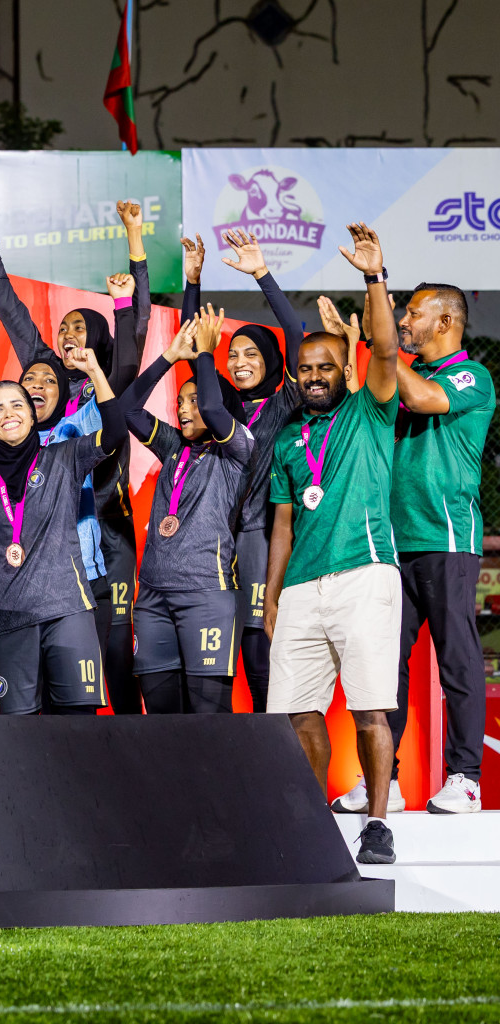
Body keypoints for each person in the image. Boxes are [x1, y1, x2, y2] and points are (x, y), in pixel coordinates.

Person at [264, 223, 402, 866]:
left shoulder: (369, 408)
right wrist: (270, 598)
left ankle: (377, 821)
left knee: (370, 707)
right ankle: (311, 820)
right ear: (295, 375)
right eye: (306, 369)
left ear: (344, 368)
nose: (315, 376)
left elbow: (384, 349)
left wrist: (374, 277)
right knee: (296, 713)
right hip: (300, 587)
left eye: (326, 367)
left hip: (363, 573)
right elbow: (283, 525)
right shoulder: (289, 438)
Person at [328, 283, 495, 815]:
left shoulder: (471, 376)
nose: (403, 322)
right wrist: (362, 350)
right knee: (381, 667)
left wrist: (380, 346)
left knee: (458, 659)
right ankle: (386, 781)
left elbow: (424, 399)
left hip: (445, 538)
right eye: (400, 315)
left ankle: (465, 777)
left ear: (445, 323)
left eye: (414, 314)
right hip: (392, 545)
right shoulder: (409, 375)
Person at [0, 198, 146, 714]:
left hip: (95, 555)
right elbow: (11, 312)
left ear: (95, 341)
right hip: (29, 570)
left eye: (80, 328)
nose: (68, 334)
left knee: (104, 677)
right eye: (65, 327)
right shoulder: (33, 393)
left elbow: (133, 342)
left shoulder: (101, 395)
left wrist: (132, 257)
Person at [0, 349, 126, 716]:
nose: (8, 413)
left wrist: (94, 371)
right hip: (10, 619)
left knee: (78, 730)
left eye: (17, 404)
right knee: (20, 737)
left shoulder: (65, 456)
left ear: (32, 416)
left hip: (68, 611)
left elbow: (113, 434)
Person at [179, 229, 304, 712]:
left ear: (271, 361)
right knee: (215, 673)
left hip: (259, 534)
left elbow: (295, 335)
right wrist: (193, 281)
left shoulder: (285, 402)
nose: (239, 361)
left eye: (252, 353)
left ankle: (278, 762)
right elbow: (196, 348)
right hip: (214, 542)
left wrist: (261, 275)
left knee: (260, 657)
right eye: (233, 353)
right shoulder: (224, 409)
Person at [125, 310, 255, 714]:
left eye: (193, 402)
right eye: (180, 401)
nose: (183, 410)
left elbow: (217, 412)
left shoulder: (237, 449)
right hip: (152, 597)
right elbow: (128, 410)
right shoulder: (172, 446)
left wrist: (205, 356)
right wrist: (169, 357)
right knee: (162, 724)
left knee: (210, 723)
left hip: (206, 594)